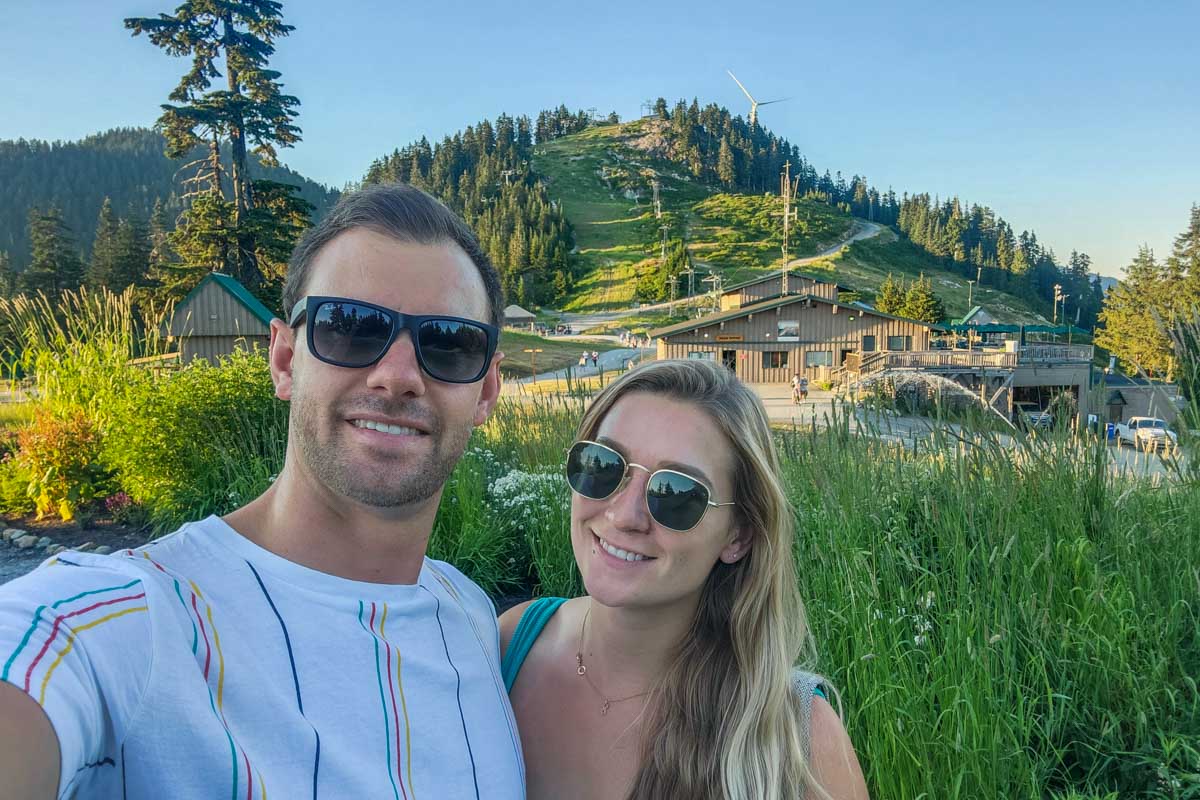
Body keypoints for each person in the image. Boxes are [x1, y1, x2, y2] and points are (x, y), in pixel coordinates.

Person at [0, 184, 525, 799]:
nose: (398, 376)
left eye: (449, 343)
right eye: (350, 327)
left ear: (486, 391)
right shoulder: (132, 620)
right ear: (283, 359)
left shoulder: (471, 616)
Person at [499, 359, 869, 800]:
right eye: (602, 466)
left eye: (676, 495)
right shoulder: (508, 646)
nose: (624, 515)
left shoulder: (797, 743)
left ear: (738, 536)